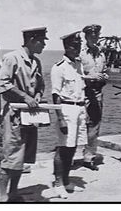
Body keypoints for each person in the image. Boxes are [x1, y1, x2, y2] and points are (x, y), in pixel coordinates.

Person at [0, 27, 47, 202]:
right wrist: (25, 96)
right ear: (32, 40)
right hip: (14, 114)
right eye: (42, 40)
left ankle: (13, 192)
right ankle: (2, 197)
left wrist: (38, 96)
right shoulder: (12, 58)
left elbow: (41, 85)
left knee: (22, 156)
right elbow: (2, 85)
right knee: (10, 155)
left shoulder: (36, 62)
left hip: (30, 116)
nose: (45, 44)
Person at [51, 31, 86, 198]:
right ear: (66, 47)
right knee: (62, 148)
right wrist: (60, 119)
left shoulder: (78, 65)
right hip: (66, 110)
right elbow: (55, 95)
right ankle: (58, 183)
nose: (77, 49)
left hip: (79, 109)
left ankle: (66, 180)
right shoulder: (59, 68)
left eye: (79, 45)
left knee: (72, 148)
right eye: (74, 46)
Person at [79, 24, 108, 171]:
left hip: (97, 92)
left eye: (97, 35)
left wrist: (104, 76)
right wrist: (89, 77)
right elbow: (75, 74)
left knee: (94, 125)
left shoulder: (101, 53)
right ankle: (69, 155)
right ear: (86, 37)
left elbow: (104, 69)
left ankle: (89, 157)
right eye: (92, 35)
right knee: (79, 124)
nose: (95, 38)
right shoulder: (80, 53)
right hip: (82, 92)